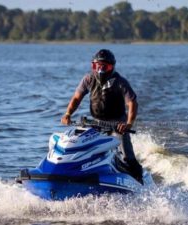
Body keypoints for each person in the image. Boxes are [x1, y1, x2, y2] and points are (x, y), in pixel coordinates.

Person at [61, 49, 143, 184]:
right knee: (83, 148)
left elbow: (132, 102)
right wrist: (68, 114)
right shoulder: (88, 79)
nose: (100, 70)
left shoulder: (120, 81)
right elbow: (76, 98)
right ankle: (80, 174)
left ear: (112, 67)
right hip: (96, 123)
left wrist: (128, 124)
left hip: (118, 124)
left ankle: (139, 182)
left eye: (105, 67)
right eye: (97, 66)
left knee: (127, 156)